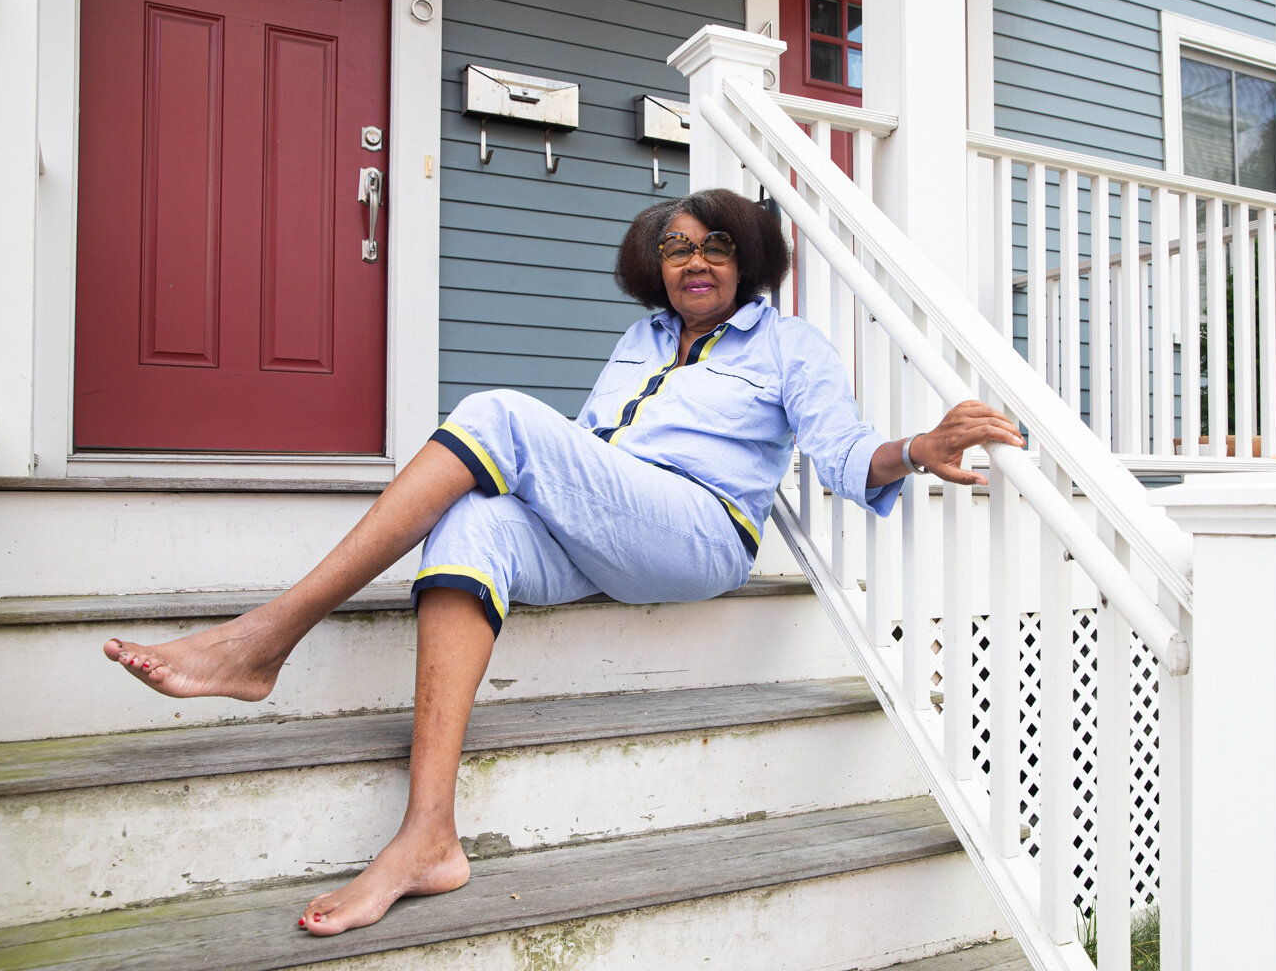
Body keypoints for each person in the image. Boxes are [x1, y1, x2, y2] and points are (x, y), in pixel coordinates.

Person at [102, 189, 1024, 936]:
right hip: (611, 515)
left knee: (499, 412)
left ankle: (267, 637)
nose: (693, 261)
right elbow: (585, 447)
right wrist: (520, 482)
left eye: (714, 246)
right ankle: (429, 834)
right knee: (467, 525)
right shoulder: (642, 341)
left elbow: (842, 456)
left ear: (747, 261)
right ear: (653, 267)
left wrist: (914, 446)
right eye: (674, 248)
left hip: (699, 531)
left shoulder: (791, 347)